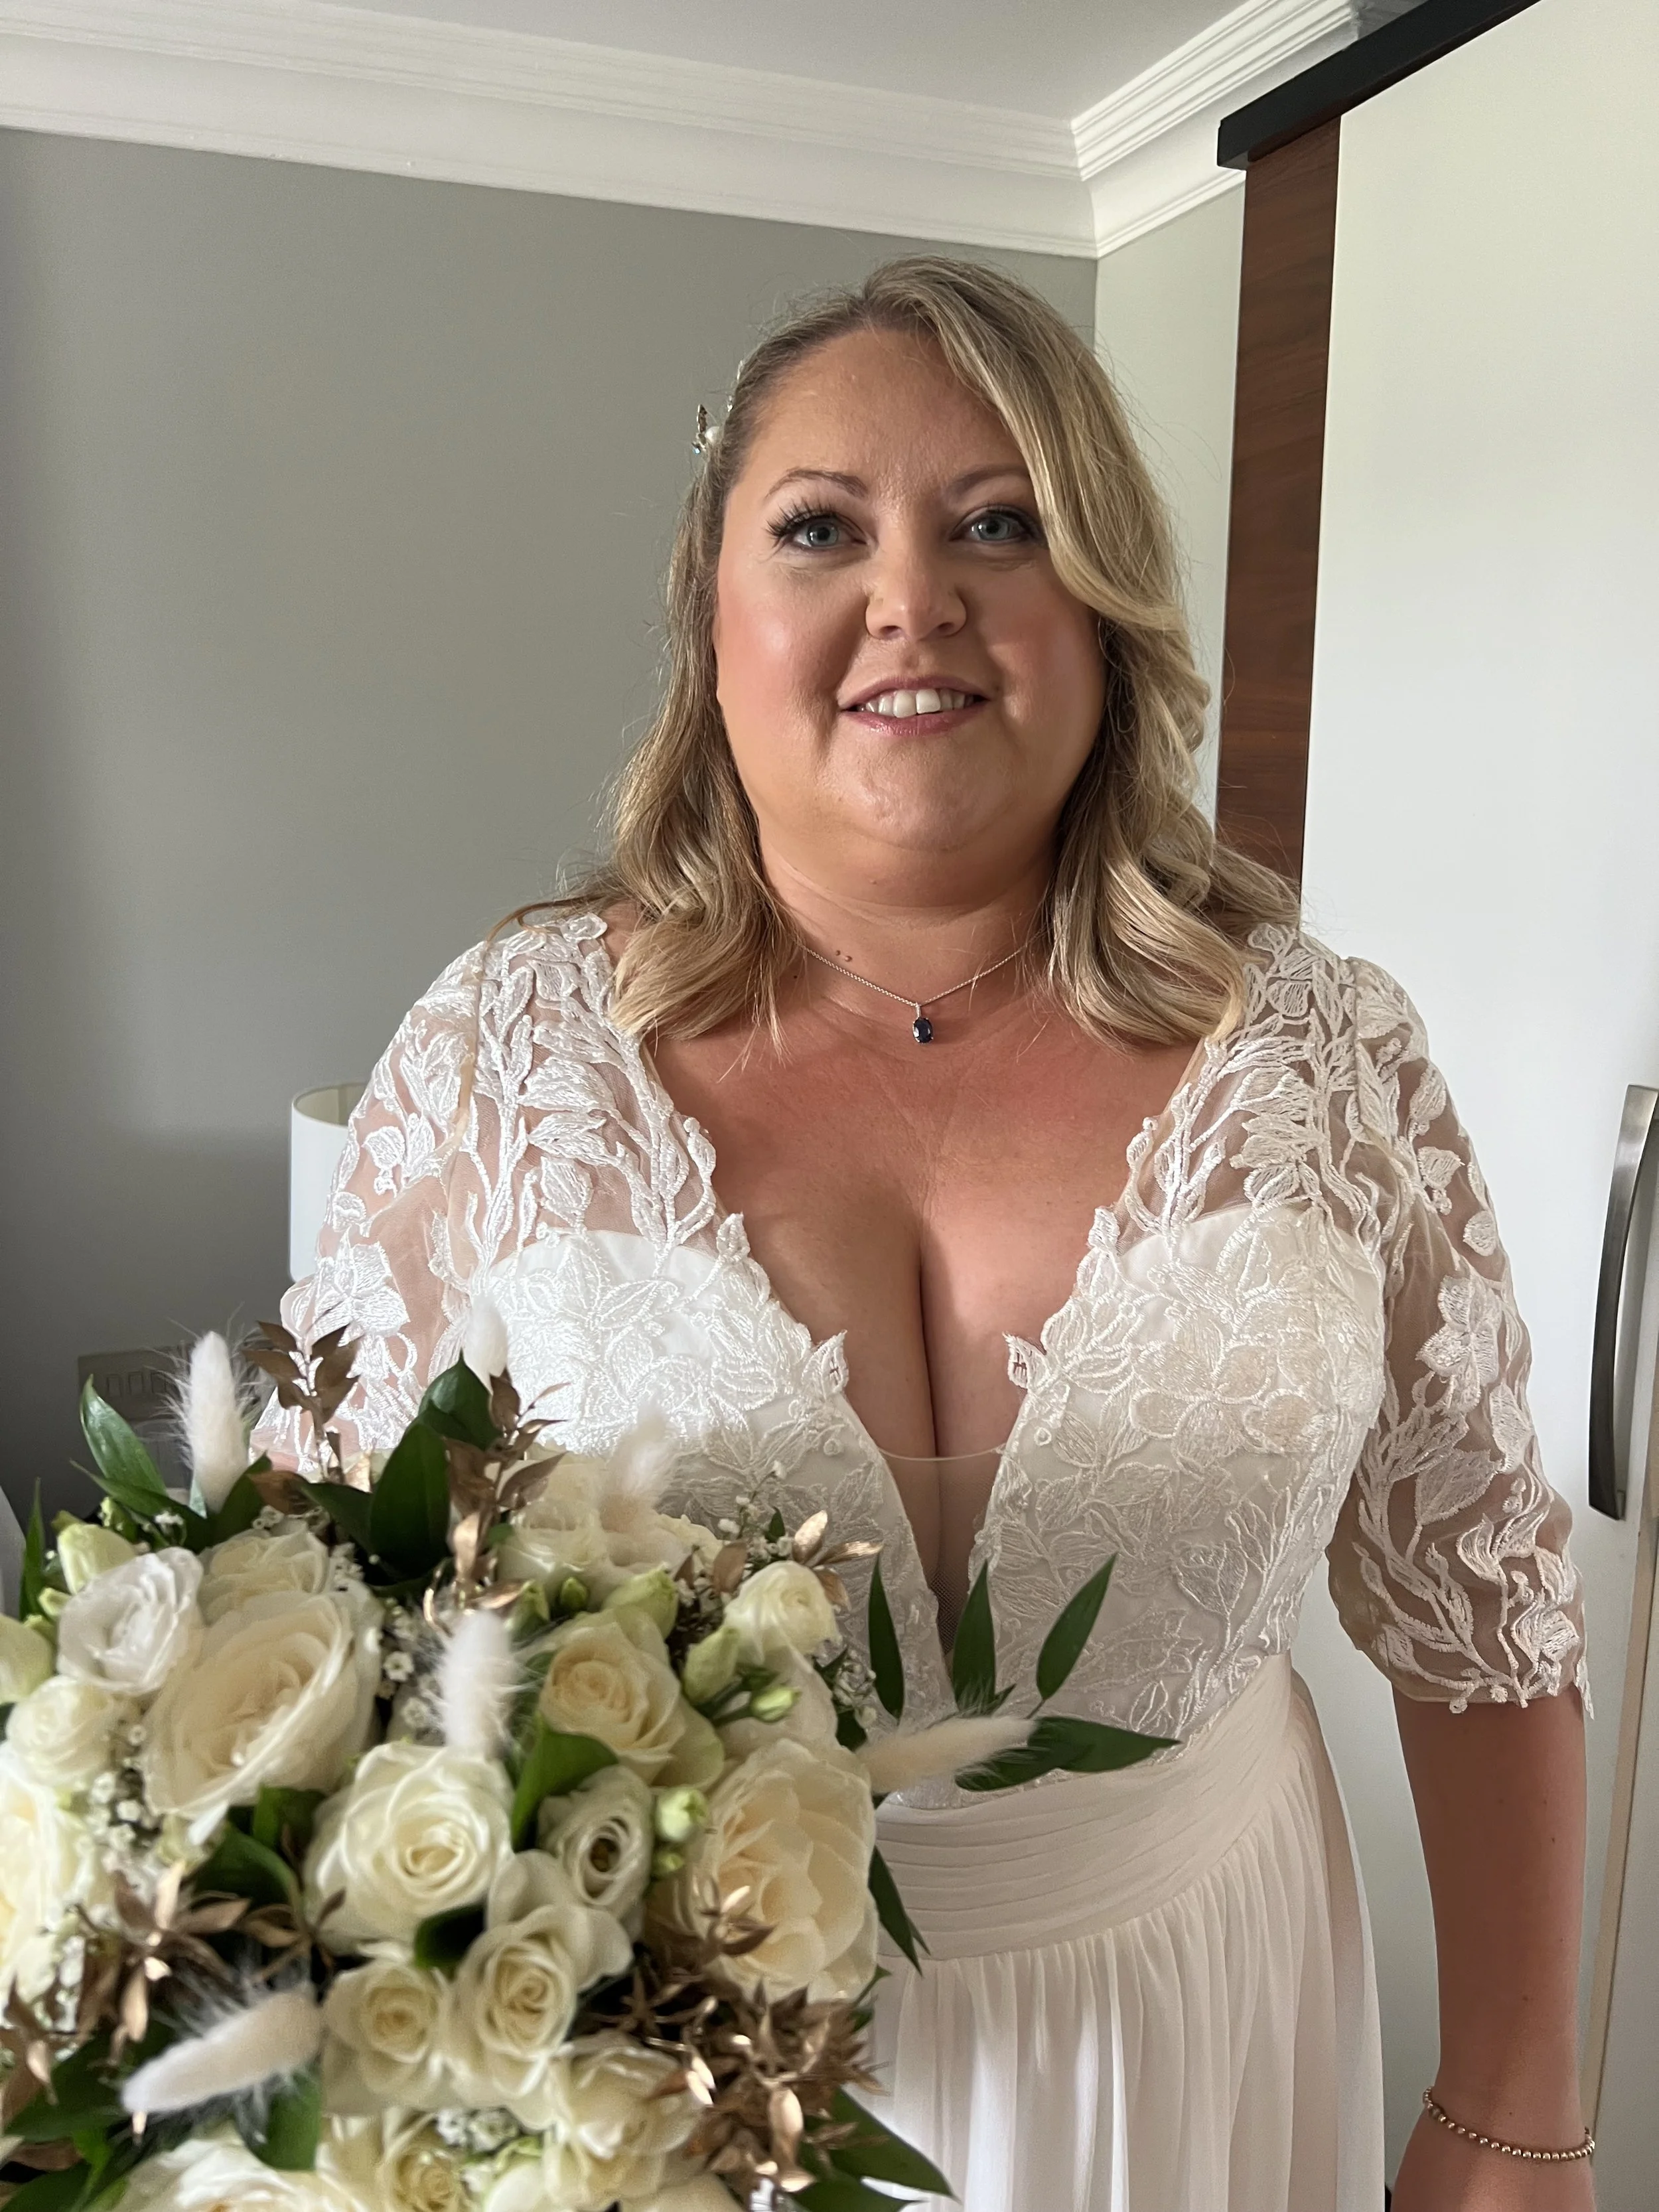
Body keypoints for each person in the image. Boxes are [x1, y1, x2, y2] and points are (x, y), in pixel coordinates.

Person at [259, 259, 1593, 2211]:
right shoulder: (501, 1053)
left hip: (1193, 2029)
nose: (913, 600)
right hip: (667, 2086)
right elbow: (315, 1618)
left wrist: (1513, 2107)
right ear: (711, 620)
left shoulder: (1325, 1057)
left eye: (1000, 524)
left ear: (1104, 609)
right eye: (821, 529)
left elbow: (1485, 1615)